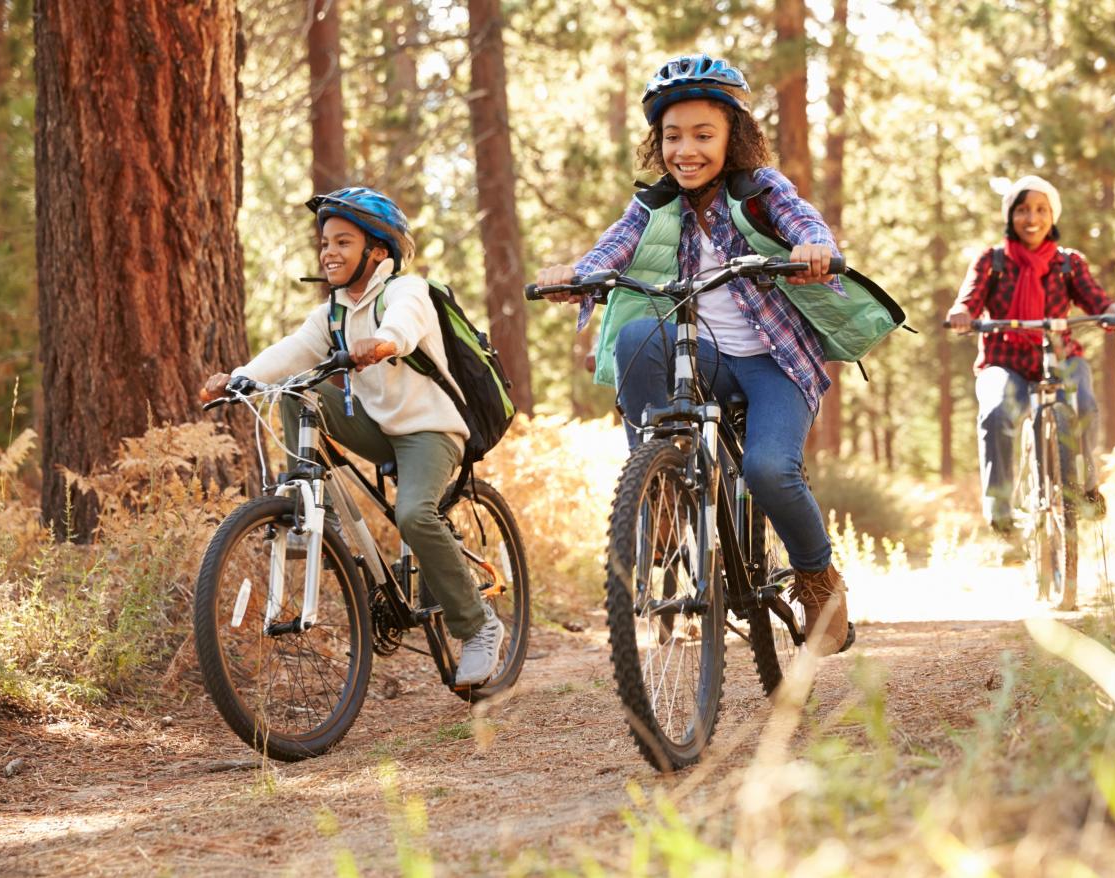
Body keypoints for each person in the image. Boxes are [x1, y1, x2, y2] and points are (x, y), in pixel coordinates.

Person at [536, 53, 850, 656]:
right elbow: (612, 251)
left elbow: (804, 222)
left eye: (704, 135)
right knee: (633, 339)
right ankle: (665, 486)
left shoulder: (761, 189)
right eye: (673, 135)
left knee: (767, 471)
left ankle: (819, 581)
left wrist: (812, 247)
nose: (687, 149)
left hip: (772, 363)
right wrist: (577, 275)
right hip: (699, 355)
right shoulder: (654, 205)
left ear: (734, 137)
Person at [200, 186, 504, 686]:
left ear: (378, 251)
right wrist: (238, 377)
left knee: (412, 514)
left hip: (431, 430)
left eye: (343, 242)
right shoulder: (332, 314)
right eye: (324, 243)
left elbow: (404, 327)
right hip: (378, 427)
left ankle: (477, 627)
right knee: (296, 392)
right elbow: (292, 351)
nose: (329, 252)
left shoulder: (408, 291)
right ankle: (308, 502)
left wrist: (383, 343)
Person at [946, 175, 1115, 554]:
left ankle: (1085, 489)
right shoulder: (992, 261)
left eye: (1040, 209)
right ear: (1011, 216)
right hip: (1005, 360)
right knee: (996, 415)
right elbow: (968, 302)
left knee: (1083, 404)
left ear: (1052, 215)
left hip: (1061, 357)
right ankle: (1003, 515)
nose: (1031, 218)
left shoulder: (1068, 263)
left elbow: (1099, 302)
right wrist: (960, 314)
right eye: (1022, 210)